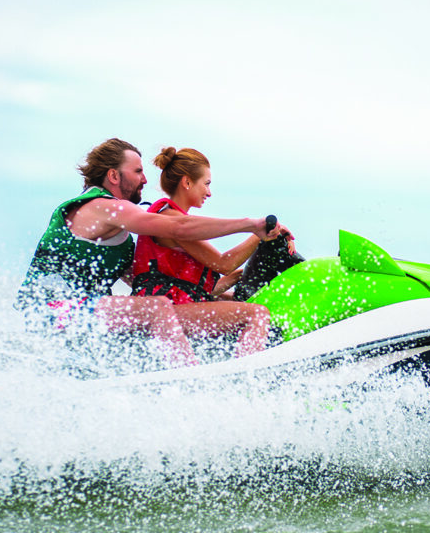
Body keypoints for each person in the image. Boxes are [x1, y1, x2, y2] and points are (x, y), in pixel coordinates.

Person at [16, 138, 286, 367]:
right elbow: (178, 227)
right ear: (113, 176)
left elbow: (145, 281)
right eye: (137, 172)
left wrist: (227, 292)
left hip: (86, 314)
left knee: (158, 304)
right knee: (157, 307)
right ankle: (190, 377)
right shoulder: (102, 206)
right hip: (49, 309)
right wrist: (251, 225)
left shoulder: (117, 237)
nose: (145, 179)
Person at [132, 147, 294, 358]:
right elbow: (223, 263)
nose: (209, 192)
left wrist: (239, 278)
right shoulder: (171, 221)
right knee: (256, 314)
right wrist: (259, 235)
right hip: (162, 313)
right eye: (206, 184)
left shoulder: (174, 218)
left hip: (174, 308)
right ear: (187, 182)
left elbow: (191, 288)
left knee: (241, 305)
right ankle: (245, 378)